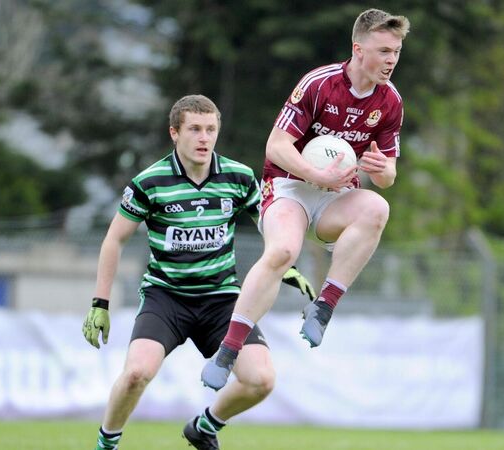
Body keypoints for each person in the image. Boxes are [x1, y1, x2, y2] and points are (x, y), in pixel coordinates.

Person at [81, 94, 316, 450]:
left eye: (210, 129)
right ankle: (106, 445)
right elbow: (114, 239)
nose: (204, 138)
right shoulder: (150, 182)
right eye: (194, 129)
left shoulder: (238, 177)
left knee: (261, 380)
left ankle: (205, 426)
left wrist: (286, 265)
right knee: (135, 374)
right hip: (166, 298)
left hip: (223, 301)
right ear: (174, 133)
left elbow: (270, 223)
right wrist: (100, 302)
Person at [201, 8, 410, 391]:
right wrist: (317, 175)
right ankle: (228, 351)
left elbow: (388, 177)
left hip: (336, 198)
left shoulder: (391, 101)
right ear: (358, 48)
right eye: (383, 51)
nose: (391, 60)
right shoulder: (319, 83)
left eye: (396, 51)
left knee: (378, 208)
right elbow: (276, 146)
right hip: (288, 186)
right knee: (282, 252)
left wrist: (381, 168)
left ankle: (324, 305)